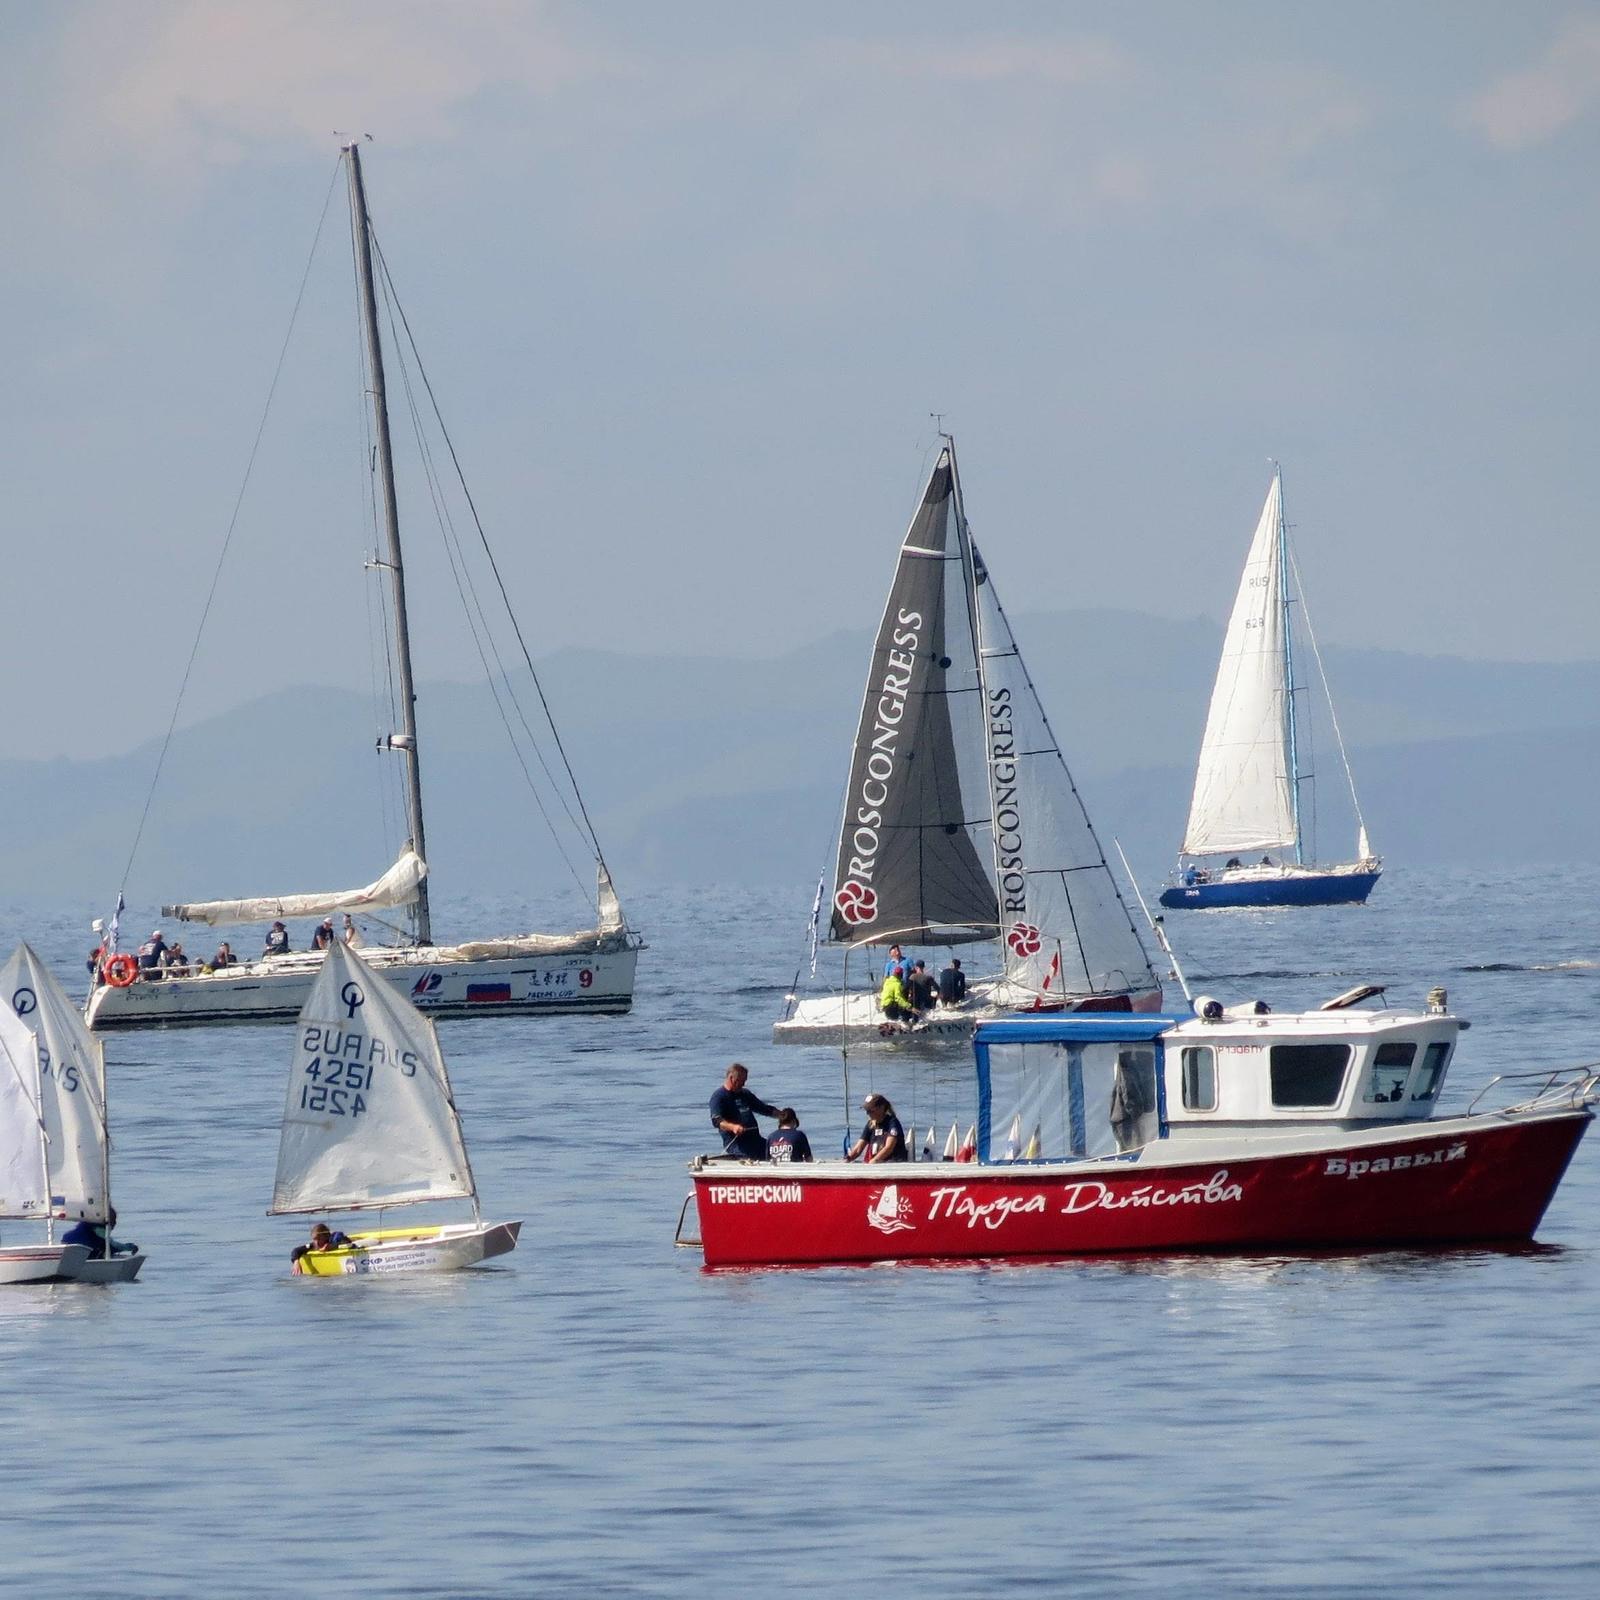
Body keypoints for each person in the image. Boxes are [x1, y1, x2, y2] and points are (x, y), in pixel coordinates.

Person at [708, 1063, 781, 1159]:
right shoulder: (719, 1096)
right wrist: (733, 1127)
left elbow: (763, 1108)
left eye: (744, 1081)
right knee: (749, 1158)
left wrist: (782, 1115)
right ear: (731, 1078)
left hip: (755, 1140)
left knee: (779, 1152)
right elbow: (717, 1121)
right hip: (737, 1144)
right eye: (741, 1081)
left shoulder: (745, 1094)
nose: (743, 1084)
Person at [847, 1093, 908, 1163]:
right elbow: (858, 1149)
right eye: (867, 1110)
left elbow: (889, 1147)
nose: (868, 1113)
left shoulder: (892, 1123)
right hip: (877, 1163)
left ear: (881, 1108)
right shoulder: (871, 1124)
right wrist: (848, 1158)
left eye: (870, 1110)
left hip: (893, 1162)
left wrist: (874, 1161)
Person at [62, 1207, 138, 1259]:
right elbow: (110, 1244)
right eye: (113, 1219)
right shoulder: (97, 1227)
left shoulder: (86, 1224)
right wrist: (129, 1247)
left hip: (67, 1244)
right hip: (80, 1250)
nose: (115, 1223)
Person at [290, 1221, 355, 1264]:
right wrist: (296, 1262)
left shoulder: (335, 1239)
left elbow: (348, 1243)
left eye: (319, 1239)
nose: (316, 1242)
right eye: (314, 1239)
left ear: (326, 1236)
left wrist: (331, 1247)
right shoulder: (313, 1245)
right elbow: (295, 1250)